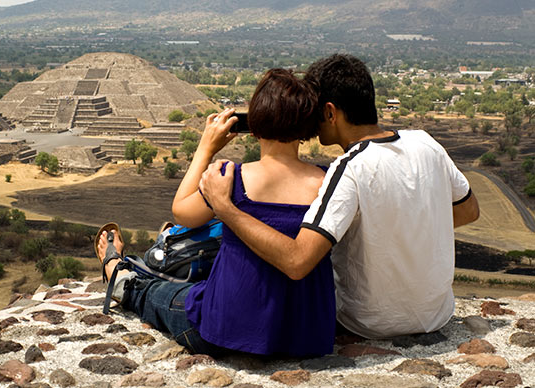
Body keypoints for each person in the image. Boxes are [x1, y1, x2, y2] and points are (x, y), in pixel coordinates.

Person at [199, 54, 480, 339]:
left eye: (313, 112)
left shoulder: (349, 168)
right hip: (436, 314)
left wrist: (226, 208)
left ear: (330, 113)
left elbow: (297, 262)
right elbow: (469, 211)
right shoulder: (426, 142)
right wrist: (401, 231)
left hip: (366, 321)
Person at [96, 69, 335, 356]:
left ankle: (117, 273)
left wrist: (205, 148)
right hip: (304, 337)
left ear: (255, 125)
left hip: (222, 331)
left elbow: (183, 210)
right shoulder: (329, 182)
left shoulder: (231, 178)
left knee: (157, 294)